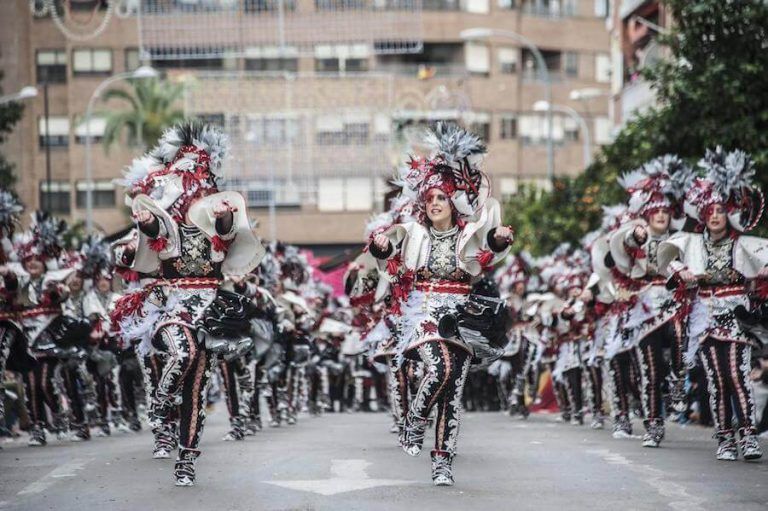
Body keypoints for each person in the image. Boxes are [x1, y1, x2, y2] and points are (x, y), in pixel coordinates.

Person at [112, 121, 264, 485]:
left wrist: (224, 214)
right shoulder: (167, 224)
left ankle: (186, 460)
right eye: (189, 180)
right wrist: (146, 223)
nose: (195, 186)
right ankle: (160, 404)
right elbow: (152, 236)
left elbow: (228, 230)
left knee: (197, 388)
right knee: (182, 353)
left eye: (201, 180)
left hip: (210, 312)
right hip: (172, 306)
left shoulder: (218, 221)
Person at [369, 123, 513, 486]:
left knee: (453, 393)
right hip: (423, 311)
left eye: (441, 198)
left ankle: (442, 464)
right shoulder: (414, 233)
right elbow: (391, 254)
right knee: (438, 368)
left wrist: (499, 239)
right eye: (430, 198)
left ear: (453, 203)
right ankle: (416, 419)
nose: (434, 203)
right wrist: (381, 246)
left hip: (461, 317)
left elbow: (487, 251)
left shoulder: (469, 234)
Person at [658, 147, 766, 461]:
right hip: (703, 317)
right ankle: (725, 439)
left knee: (738, 376)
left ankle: (748, 436)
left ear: (729, 213)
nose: (715, 215)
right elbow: (664, 258)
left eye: (721, 210)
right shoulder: (691, 242)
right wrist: (682, 272)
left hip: (736, 315)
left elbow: (762, 263)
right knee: (717, 380)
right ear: (703, 214)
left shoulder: (742, 243)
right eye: (710, 210)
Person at [609, 156, 694, 447]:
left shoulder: (681, 238)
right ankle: (654, 425)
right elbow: (625, 245)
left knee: (681, 339)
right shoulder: (638, 237)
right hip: (643, 309)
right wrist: (636, 235)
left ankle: (678, 382)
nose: (660, 215)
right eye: (655, 210)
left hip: (673, 302)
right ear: (645, 214)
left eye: (665, 210)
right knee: (651, 370)